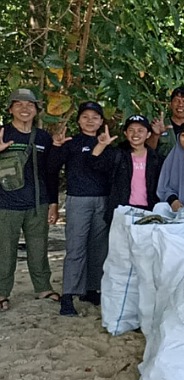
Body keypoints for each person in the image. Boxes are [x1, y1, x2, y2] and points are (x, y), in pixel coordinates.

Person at [47, 101, 112, 316]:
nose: (90, 120)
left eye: (95, 117)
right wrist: (56, 147)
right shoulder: (70, 142)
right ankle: (68, 296)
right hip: (78, 200)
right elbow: (51, 168)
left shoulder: (107, 142)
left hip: (102, 200)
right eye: (85, 116)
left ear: (102, 121)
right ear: (78, 120)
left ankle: (92, 289)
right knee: (76, 249)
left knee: (98, 249)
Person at [0, 88, 60, 311]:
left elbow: (50, 172)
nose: (24, 109)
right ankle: (2, 293)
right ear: (10, 109)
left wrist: (53, 202)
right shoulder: (2, 133)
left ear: (36, 110)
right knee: (5, 251)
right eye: (19, 104)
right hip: (6, 205)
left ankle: (43, 287)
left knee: (39, 248)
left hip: (38, 203)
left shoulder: (43, 137)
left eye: (30, 105)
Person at [89, 115, 164, 222]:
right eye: (131, 130)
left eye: (140, 130)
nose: (135, 134)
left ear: (148, 134)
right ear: (125, 133)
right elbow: (94, 164)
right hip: (123, 210)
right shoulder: (118, 155)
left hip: (150, 211)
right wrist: (101, 145)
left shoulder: (156, 159)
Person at [147, 86, 184, 158]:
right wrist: (155, 135)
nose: (180, 105)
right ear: (171, 104)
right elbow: (146, 152)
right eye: (176, 101)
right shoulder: (159, 126)